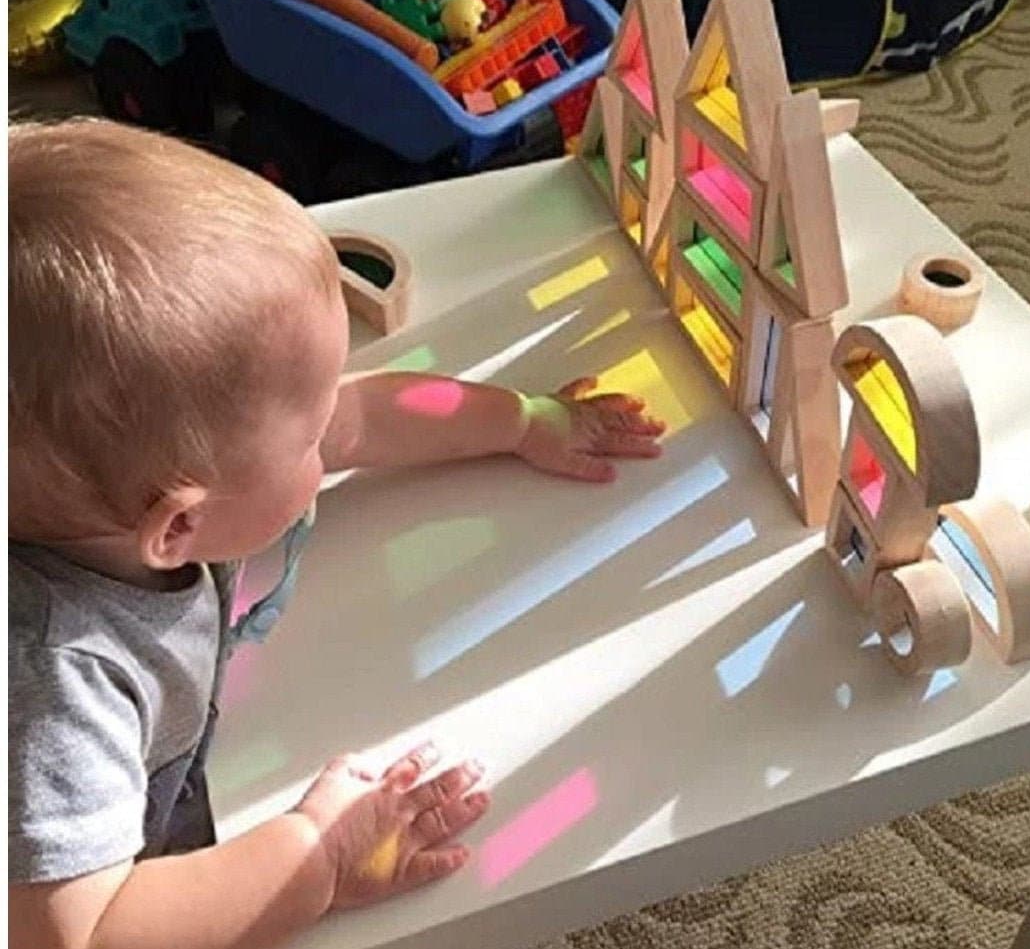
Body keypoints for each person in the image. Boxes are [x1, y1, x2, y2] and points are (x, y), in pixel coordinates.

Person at [8, 117, 665, 948]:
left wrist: (526, 420)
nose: (334, 429)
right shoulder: (55, 684)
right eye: (307, 438)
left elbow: (366, 413)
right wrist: (314, 855)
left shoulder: (118, 492)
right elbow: (80, 932)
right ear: (180, 525)